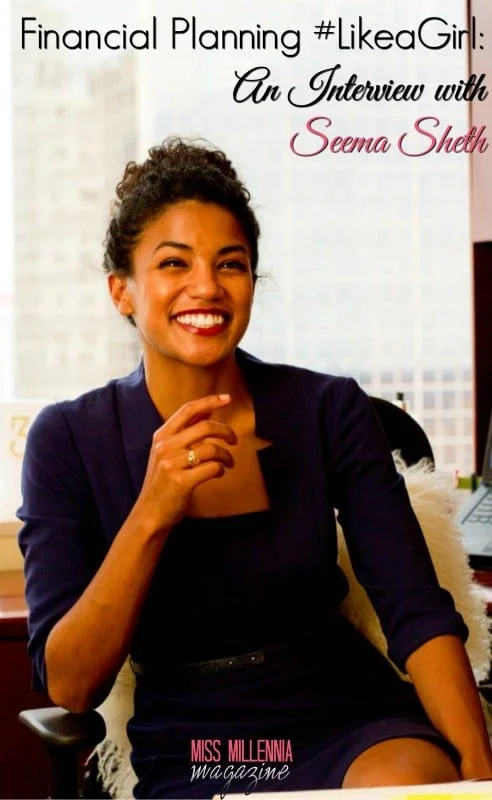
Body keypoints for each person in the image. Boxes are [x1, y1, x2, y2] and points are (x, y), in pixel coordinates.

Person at [18, 137, 492, 799]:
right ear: (122, 290)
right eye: (174, 263)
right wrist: (153, 510)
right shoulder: (67, 438)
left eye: (230, 264)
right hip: (202, 741)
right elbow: (69, 682)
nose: (207, 286)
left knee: (409, 785)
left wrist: (477, 774)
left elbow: (417, 614)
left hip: (344, 711)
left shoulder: (328, 409)